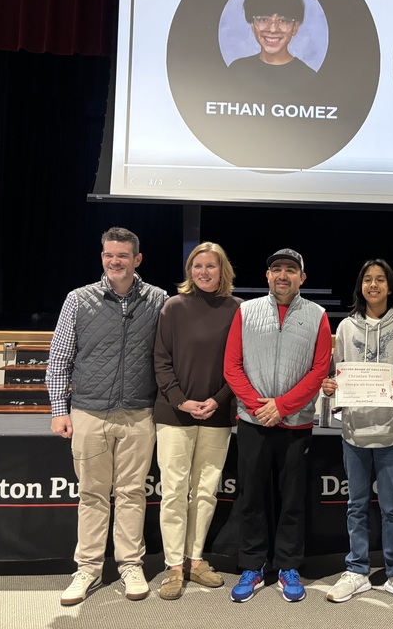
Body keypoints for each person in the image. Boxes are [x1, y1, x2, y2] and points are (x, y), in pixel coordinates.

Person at [46, 227, 168, 606]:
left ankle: (131, 564)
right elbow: (59, 359)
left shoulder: (159, 300)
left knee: (132, 493)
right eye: (108, 255)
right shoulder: (78, 300)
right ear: (102, 257)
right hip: (88, 413)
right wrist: (59, 410)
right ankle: (87, 569)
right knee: (92, 494)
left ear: (137, 259)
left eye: (122, 255)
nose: (115, 261)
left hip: (138, 414)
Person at [223, 248, 331, 604]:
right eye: (276, 269)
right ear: (267, 275)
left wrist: (282, 407)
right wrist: (260, 407)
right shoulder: (246, 311)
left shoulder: (317, 315)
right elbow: (232, 366)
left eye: (290, 269)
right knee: (252, 497)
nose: (282, 275)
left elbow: (319, 370)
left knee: (292, 500)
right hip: (254, 422)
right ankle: (253, 566)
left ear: (302, 277)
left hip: (296, 423)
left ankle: (288, 566)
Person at [322, 258, 393, 606]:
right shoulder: (347, 328)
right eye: (367, 280)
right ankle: (357, 570)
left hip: (392, 432)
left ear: (389, 286)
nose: (374, 285)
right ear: (360, 287)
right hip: (354, 431)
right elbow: (338, 375)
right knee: (356, 505)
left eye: (380, 280)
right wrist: (332, 387)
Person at [153, 242, 242, 600]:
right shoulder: (172, 308)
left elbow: (238, 364)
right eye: (198, 266)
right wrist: (182, 401)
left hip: (217, 413)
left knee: (205, 490)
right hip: (174, 414)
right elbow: (161, 360)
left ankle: (195, 559)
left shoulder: (237, 309)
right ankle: (174, 566)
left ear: (224, 271)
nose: (204, 272)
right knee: (174, 490)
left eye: (211, 266)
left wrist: (216, 401)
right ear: (190, 270)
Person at [228, 0, 315, 90]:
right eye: (264, 19)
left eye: (283, 21)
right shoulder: (237, 70)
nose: (273, 29)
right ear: (253, 25)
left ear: (295, 27)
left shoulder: (308, 76)